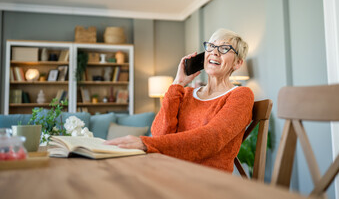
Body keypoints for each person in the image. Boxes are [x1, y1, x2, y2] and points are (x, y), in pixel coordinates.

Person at [105, 28, 254, 173]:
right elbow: (159, 134)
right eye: (211, 46)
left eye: (224, 48)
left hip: (208, 180)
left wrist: (146, 144)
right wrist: (178, 83)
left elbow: (213, 138)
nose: (214, 52)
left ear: (238, 63)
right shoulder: (186, 93)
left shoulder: (241, 95)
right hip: (169, 170)